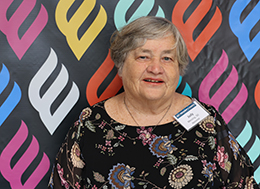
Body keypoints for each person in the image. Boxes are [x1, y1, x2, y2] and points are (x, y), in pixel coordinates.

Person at [48, 16, 259, 189]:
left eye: (167, 58)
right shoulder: (90, 123)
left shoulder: (206, 120)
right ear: (121, 65)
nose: (156, 68)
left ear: (179, 68)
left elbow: (243, 182)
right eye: (143, 57)